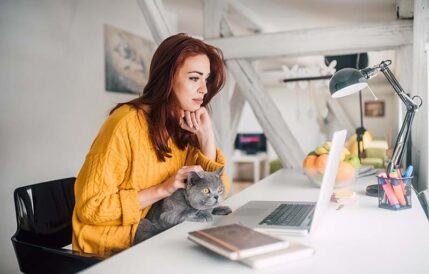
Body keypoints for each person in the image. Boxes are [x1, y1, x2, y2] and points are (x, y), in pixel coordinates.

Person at [72, 33, 230, 257]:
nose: (204, 89)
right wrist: (162, 189)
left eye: (206, 79)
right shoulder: (125, 123)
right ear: (167, 78)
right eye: (195, 78)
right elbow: (92, 208)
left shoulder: (183, 125)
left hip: (160, 233)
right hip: (114, 248)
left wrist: (206, 135)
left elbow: (219, 191)